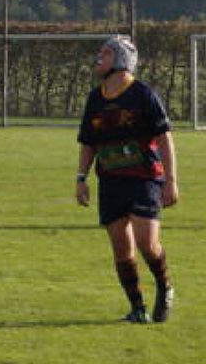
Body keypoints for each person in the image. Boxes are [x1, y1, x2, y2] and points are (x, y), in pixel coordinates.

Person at [74, 35, 180, 323]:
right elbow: (88, 143)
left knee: (148, 243)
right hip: (110, 181)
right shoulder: (95, 99)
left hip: (144, 179)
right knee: (122, 248)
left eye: (105, 54)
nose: (99, 59)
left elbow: (164, 138)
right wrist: (81, 178)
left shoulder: (143, 94)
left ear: (121, 60)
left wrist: (171, 180)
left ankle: (164, 285)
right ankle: (137, 309)